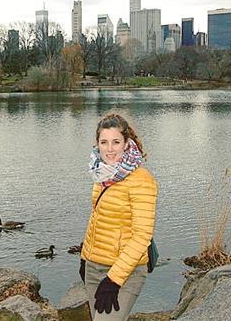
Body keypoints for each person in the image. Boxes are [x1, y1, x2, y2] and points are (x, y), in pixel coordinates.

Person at [79, 113, 158, 320]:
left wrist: (113, 280)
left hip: (125, 272)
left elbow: (142, 236)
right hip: (93, 267)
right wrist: (84, 257)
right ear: (97, 144)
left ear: (126, 143)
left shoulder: (141, 180)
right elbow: (97, 218)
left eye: (116, 142)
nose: (110, 149)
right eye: (104, 142)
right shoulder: (101, 174)